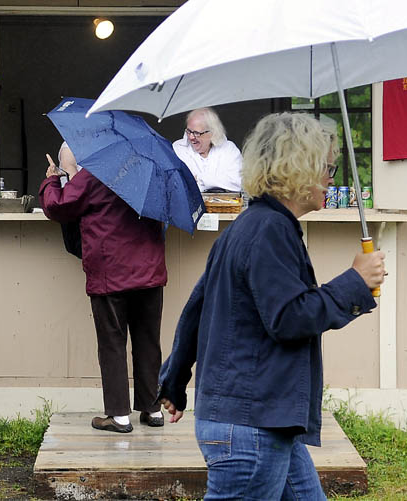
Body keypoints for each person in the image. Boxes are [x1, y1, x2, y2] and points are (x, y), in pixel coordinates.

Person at [157, 113, 386, 499]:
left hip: (262, 420)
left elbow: (197, 311)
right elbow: (289, 317)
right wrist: (354, 283)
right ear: (297, 169)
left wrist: (174, 380)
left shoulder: (249, 226)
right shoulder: (269, 231)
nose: (331, 177)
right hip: (250, 426)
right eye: (327, 167)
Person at [40, 146, 167, 433]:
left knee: (112, 342)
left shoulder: (95, 174)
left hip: (112, 272)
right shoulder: (148, 170)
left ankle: (119, 416)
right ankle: (152, 409)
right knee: (148, 342)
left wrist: (52, 179)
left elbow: (59, 207)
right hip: (149, 270)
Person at [172, 108, 242, 192]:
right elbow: (176, 185)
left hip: (224, 205)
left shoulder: (229, 149)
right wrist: (219, 182)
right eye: (189, 131)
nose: (191, 137)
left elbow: (239, 182)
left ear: (212, 132)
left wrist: (200, 179)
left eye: (197, 133)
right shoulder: (178, 149)